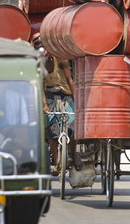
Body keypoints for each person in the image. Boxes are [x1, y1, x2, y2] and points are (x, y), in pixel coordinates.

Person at [32, 33, 82, 174]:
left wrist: (77, 101)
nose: (41, 48)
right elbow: (40, 84)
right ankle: (56, 161)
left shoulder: (61, 58)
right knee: (51, 129)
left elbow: (69, 80)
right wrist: (44, 104)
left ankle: (74, 154)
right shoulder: (38, 62)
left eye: (43, 45)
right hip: (48, 94)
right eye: (38, 45)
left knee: (72, 124)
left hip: (65, 93)